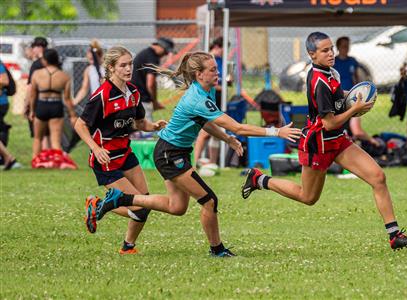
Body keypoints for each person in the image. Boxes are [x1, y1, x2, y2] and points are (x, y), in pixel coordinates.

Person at [83, 51, 301, 257]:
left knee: (177, 207)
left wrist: (227, 139)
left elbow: (205, 122)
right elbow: (238, 127)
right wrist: (276, 131)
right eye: (213, 70)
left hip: (173, 151)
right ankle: (217, 250)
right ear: (199, 74)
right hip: (170, 153)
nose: (218, 74)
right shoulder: (197, 97)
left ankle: (121, 200)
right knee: (209, 200)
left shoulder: (205, 92)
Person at [241, 32, 407, 251]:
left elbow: (338, 96)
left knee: (378, 177)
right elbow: (329, 123)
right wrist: (354, 109)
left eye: (331, 48)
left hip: (338, 142)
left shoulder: (330, 72)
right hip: (319, 145)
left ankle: (394, 236)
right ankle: (259, 179)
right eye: (325, 51)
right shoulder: (318, 81)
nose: (331, 53)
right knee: (308, 197)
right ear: (312, 54)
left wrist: (354, 95)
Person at [74, 46, 168, 254]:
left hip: (125, 154)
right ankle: (98, 205)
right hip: (105, 160)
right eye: (123, 65)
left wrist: (153, 126)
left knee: (144, 201)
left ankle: (128, 246)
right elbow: (80, 125)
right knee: (140, 206)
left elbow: (139, 122)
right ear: (111, 68)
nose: (128, 69)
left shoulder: (133, 92)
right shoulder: (102, 95)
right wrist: (95, 148)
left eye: (130, 64)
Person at [29, 48, 77, 169]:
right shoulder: (64, 76)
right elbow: (67, 99)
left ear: (45, 60)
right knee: (56, 141)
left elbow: (33, 94)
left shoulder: (37, 74)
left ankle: (36, 162)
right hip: (56, 106)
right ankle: (57, 163)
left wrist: (31, 111)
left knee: (37, 138)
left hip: (41, 105)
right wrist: (72, 115)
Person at [194, 37, 226, 165]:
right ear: (217, 47)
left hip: (217, 100)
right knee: (204, 133)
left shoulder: (221, 61)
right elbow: (204, 82)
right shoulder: (207, 61)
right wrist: (220, 86)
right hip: (206, 102)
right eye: (224, 49)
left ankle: (213, 162)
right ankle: (194, 162)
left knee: (216, 133)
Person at [131, 37, 174, 120]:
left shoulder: (146, 53)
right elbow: (150, 83)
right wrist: (154, 101)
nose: (164, 55)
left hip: (136, 96)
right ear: (161, 47)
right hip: (142, 98)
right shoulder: (152, 56)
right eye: (165, 52)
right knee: (146, 128)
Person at [73, 40, 105, 105]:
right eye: (90, 59)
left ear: (100, 55)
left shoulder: (106, 67)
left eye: (93, 58)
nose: (91, 60)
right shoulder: (89, 69)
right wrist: (74, 102)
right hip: (96, 101)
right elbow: (84, 89)